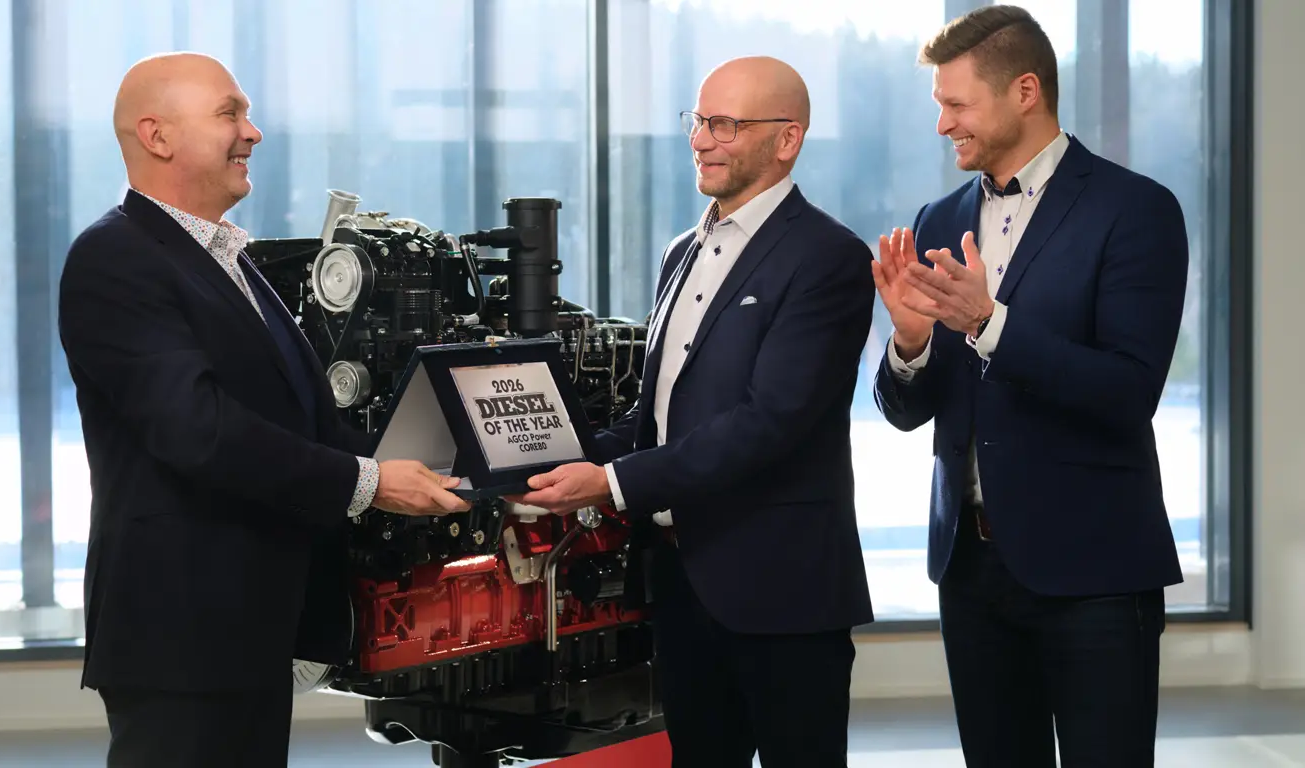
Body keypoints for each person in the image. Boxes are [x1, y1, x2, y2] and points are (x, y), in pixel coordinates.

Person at [57, 52, 470, 768]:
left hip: (247, 627)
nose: (253, 132)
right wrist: (370, 482)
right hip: (183, 633)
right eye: (230, 114)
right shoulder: (114, 257)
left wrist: (449, 460)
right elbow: (197, 429)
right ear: (157, 136)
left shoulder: (230, 259)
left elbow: (300, 417)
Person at [509, 56, 876, 767]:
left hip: (784, 590)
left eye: (726, 125)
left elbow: (769, 423)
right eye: (699, 120)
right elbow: (655, 418)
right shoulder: (681, 252)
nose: (701, 140)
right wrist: (551, 459)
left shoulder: (828, 257)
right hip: (680, 582)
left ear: (788, 139)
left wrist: (610, 483)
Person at [871, 6, 1187, 767]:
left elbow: (1128, 393)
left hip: (1096, 573)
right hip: (970, 574)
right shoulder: (937, 220)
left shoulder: (1136, 209)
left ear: (1024, 91)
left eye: (957, 104)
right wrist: (909, 343)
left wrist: (988, 322)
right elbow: (910, 413)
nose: (942, 124)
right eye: (939, 105)